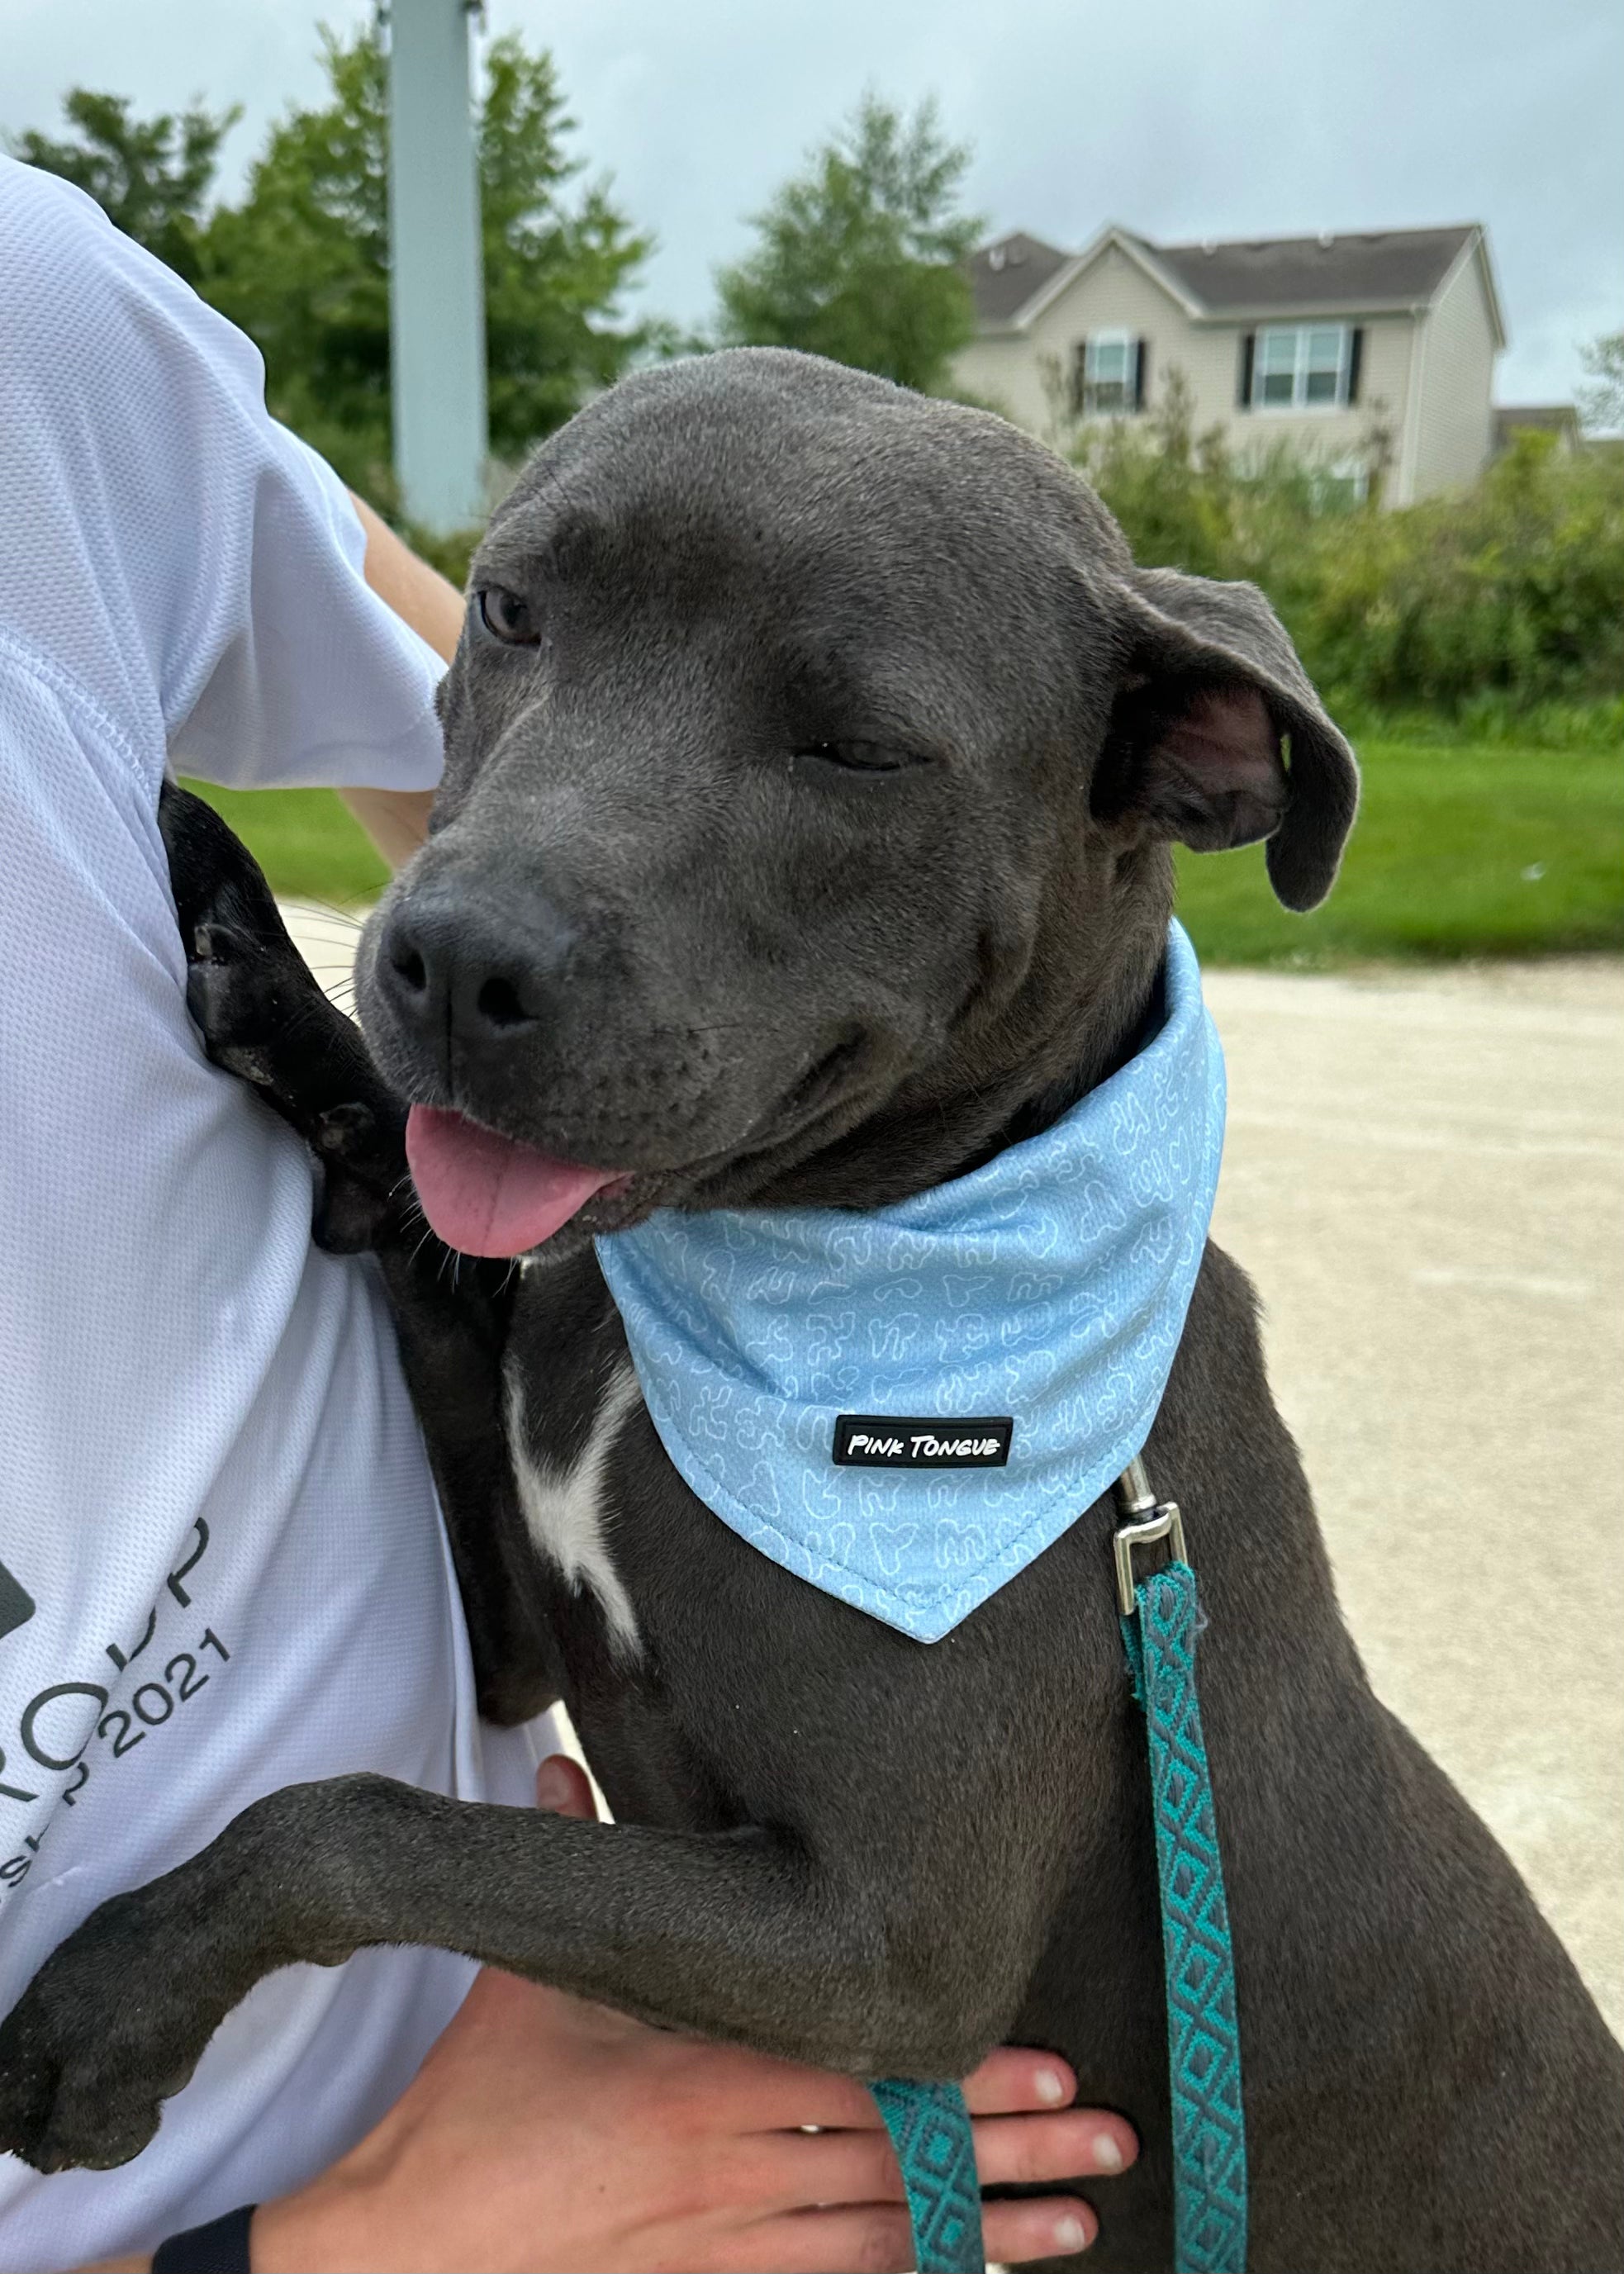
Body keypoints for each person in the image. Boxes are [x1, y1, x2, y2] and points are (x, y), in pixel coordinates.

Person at [0, 155, 1135, 2272]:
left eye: (848, 750)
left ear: (1190, 772)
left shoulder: (20, 319)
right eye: (526, 616)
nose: (465, 931)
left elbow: (892, 1958)